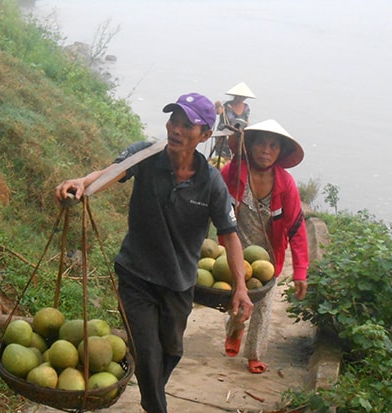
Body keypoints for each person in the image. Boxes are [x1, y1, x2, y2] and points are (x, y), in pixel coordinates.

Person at [55, 93, 254, 413]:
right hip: (136, 274)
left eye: (186, 124)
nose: (175, 129)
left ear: (204, 135)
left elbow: (229, 237)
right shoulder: (145, 156)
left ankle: (152, 396)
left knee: (171, 351)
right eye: (173, 120)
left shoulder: (212, 182)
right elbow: (110, 173)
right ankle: (156, 406)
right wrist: (81, 183)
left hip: (178, 283)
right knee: (146, 350)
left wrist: (241, 287)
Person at [219, 119, 309, 374]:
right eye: (260, 143)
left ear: (280, 152)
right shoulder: (232, 173)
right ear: (249, 145)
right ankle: (235, 330)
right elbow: (213, 207)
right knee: (238, 299)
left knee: (263, 308)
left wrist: (300, 271)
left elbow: (296, 228)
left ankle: (255, 354)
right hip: (235, 249)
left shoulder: (285, 184)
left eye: (273, 146)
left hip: (269, 258)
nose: (266, 150)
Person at [213, 82, 256, 158]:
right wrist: (217, 106)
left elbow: (246, 121)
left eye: (243, 97)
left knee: (237, 156)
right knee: (222, 157)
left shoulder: (246, 107)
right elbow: (218, 112)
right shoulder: (226, 105)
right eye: (239, 96)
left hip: (237, 136)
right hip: (224, 136)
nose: (241, 98)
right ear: (235, 96)